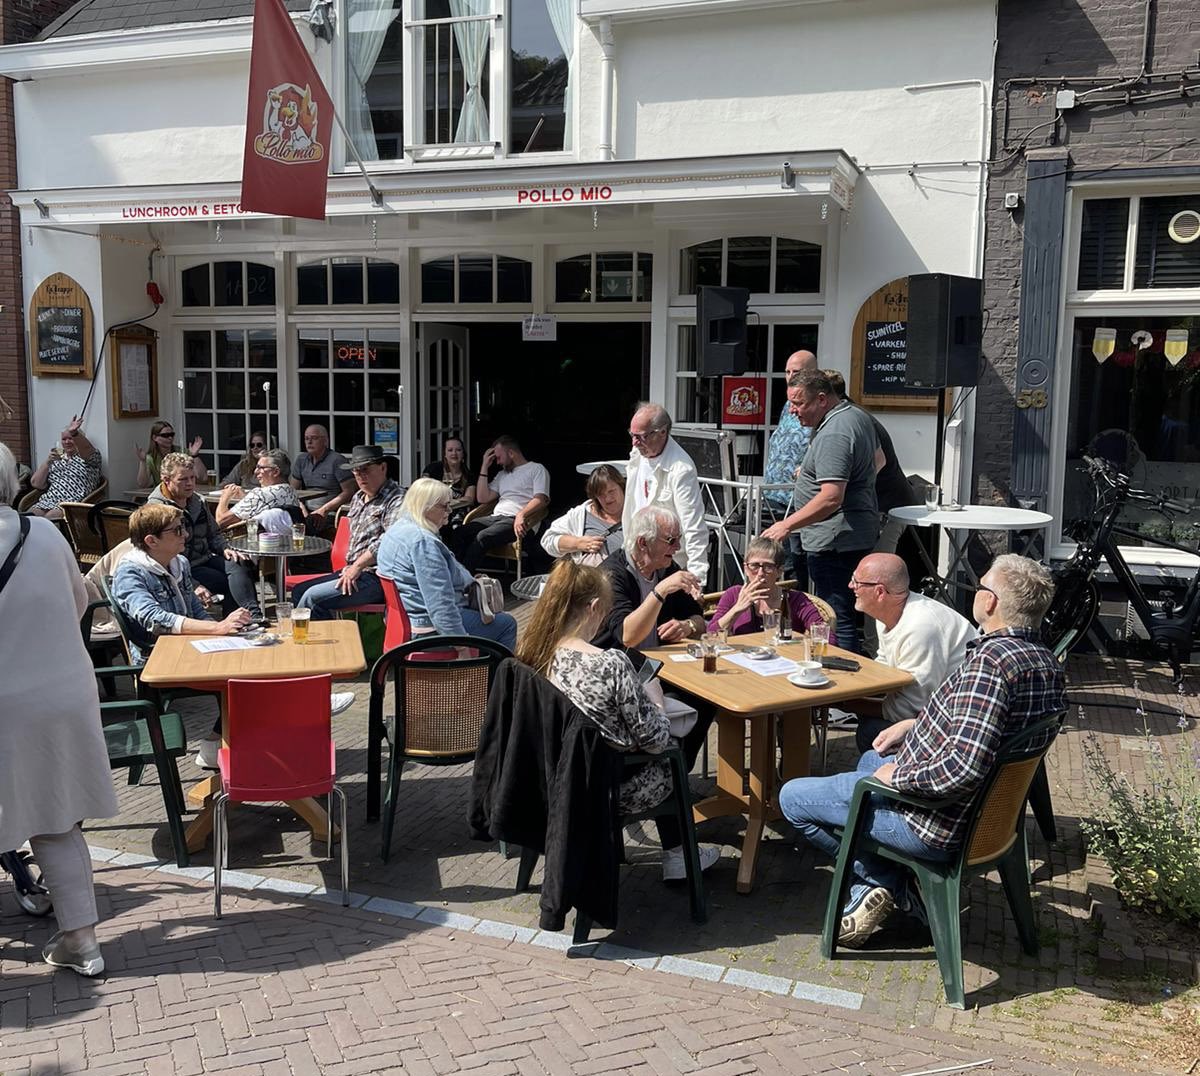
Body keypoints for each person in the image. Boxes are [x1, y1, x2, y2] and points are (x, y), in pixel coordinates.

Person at [778, 555, 1065, 948]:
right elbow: (988, 730)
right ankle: (896, 881)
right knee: (869, 757)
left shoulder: (990, 666)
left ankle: (894, 884)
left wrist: (900, 776)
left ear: (992, 602)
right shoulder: (1044, 661)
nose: (975, 594)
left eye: (980, 587)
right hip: (987, 816)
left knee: (792, 797)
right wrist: (916, 724)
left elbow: (962, 767)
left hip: (938, 822)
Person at [515, 559, 721, 882]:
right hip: (602, 786)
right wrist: (655, 700)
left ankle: (676, 853)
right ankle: (679, 855)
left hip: (547, 775)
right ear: (595, 607)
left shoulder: (534, 654)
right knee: (672, 756)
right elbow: (655, 740)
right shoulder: (611, 664)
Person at [0, 441, 120, 977]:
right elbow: (80, 607)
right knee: (56, 821)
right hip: (60, 693)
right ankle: (83, 943)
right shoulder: (44, 533)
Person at [762, 370, 881, 653]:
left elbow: (830, 498)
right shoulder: (856, 415)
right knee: (845, 617)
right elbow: (878, 460)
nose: (793, 411)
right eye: (790, 402)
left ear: (823, 399)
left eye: (799, 403)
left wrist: (787, 525)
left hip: (835, 542)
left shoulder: (835, 432)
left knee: (836, 619)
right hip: (849, 534)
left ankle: (843, 688)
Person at [846, 553, 977, 752]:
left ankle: (888, 779)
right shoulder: (887, 612)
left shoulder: (921, 626)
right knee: (867, 719)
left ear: (879, 592)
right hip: (934, 709)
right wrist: (845, 682)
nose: (850, 585)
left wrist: (848, 703)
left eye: (857, 581)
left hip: (956, 725)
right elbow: (886, 665)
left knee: (871, 730)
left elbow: (911, 708)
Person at [377, 477, 518, 651]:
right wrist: (461, 646)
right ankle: (496, 677)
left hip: (403, 622)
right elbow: (440, 605)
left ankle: (480, 670)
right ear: (425, 507)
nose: (449, 510)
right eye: (444, 506)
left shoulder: (396, 530)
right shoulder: (423, 543)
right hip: (428, 631)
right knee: (506, 624)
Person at [291, 445, 406, 620]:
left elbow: (388, 543)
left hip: (379, 577)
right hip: (353, 571)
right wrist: (352, 568)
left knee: (312, 598)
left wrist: (357, 566)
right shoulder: (358, 497)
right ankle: (326, 643)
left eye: (365, 469)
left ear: (383, 467)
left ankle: (322, 646)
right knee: (300, 591)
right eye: (356, 471)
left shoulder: (397, 499)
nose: (360, 475)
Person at [147, 451, 258, 616]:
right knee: (230, 583)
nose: (190, 483)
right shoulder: (156, 509)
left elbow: (214, 534)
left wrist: (225, 548)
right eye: (183, 479)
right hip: (179, 566)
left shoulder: (198, 501)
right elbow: (159, 556)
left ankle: (251, 615)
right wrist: (192, 585)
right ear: (166, 480)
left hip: (204, 558)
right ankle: (246, 619)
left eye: (192, 478)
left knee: (241, 561)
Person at [595, 506, 706, 656]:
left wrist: (688, 625)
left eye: (679, 539)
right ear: (643, 543)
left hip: (660, 664)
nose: (678, 547)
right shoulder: (609, 575)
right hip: (617, 668)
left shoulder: (668, 568)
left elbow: (699, 620)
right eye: (671, 540)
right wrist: (660, 591)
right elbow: (627, 636)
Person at [622, 403, 708, 583]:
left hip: (668, 565)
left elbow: (694, 526)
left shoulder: (681, 468)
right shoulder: (638, 453)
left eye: (641, 437)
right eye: (632, 435)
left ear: (662, 432)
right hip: (636, 559)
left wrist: (697, 578)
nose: (634, 443)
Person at [454, 435, 550, 573]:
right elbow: (482, 498)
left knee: (483, 536)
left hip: (519, 521)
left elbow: (541, 498)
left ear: (511, 453)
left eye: (498, 457)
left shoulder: (536, 469)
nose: (497, 462)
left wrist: (521, 514)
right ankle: (454, 574)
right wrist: (484, 466)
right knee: (460, 532)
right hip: (495, 518)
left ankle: (463, 580)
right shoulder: (501, 475)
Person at [763, 350, 818, 587]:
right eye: (787, 371)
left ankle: (798, 613)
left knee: (795, 563)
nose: (790, 376)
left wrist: (806, 468)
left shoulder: (816, 405)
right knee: (772, 559)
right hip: (773, 496)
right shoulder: (789, 404)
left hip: (797, 499)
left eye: (797, 371)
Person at [707, 536, 825, 636]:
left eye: (768, 567)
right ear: (746, 568)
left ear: (779, 571)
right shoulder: (733, 594)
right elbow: (711, 634)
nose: (760, 573)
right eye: (754, 566)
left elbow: (825, 634)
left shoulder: (795, 600)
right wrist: (737, 609)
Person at [540, 463, 625, 568]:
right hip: (594, 581)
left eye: (611, 491)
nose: (607, 498)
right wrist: (578, 543)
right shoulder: (581, 514)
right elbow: (548, 540)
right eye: (601, 494)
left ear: (621, 487)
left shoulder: (638, 511)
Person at [26, 415, 102, 519]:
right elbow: (36, 484)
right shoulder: (57, 460)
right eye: (64, 439)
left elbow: (87, 449)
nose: (67, 442)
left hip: (71, 504)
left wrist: (74, 432)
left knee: (50, 519)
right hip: (48, 500)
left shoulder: (89, 460)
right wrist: (48, 462)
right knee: (28, 517)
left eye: (70, 438)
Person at [214, 448, 299, 529]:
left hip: (252, 541)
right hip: (284, 540)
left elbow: (220, 521)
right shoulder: (292, 492)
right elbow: (264, 507)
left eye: (260, 468)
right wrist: (245, 498)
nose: (255, 471)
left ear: (276, 472)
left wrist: (225, 497)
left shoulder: (260, 495)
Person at [291, 425, 354, 530]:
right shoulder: (301, 460)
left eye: (314, 438)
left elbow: (349, 491)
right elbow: (292, 491)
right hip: (305, 510)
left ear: (325, 441)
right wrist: (302, 509)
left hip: (329, 511)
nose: (309, 442)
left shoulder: (337, 460)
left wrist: (324, 510)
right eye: (306, 438)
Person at [136, 419, 207, 486]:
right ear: (155, 438)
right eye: (165, 435)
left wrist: (194, 455)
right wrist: (143, 461)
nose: (170, 438)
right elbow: (142, 484)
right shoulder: (151, 457)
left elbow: (203, 478)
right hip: (163, 493)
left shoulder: (182, 452)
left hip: (184, 491)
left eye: (172, 434)